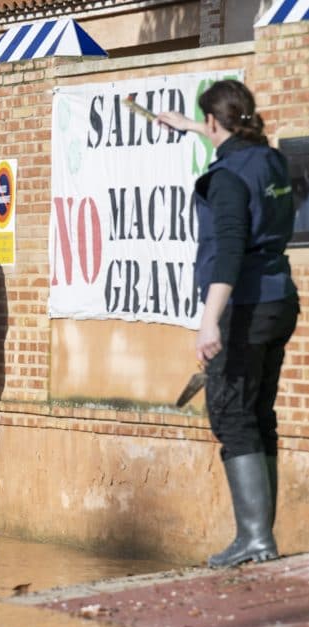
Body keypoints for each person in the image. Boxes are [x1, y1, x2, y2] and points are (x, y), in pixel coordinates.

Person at [159, 80, 299, 568]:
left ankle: (256, 540)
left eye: (206, 122)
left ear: (217, 122)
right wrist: (192, 126)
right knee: (259, 415)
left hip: (243, 307)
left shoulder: (225, 178)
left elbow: (230, 249)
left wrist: (208, 322)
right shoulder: (271, 159)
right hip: (280, 301)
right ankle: (260, 537)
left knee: (231, 416)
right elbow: (237, 142)